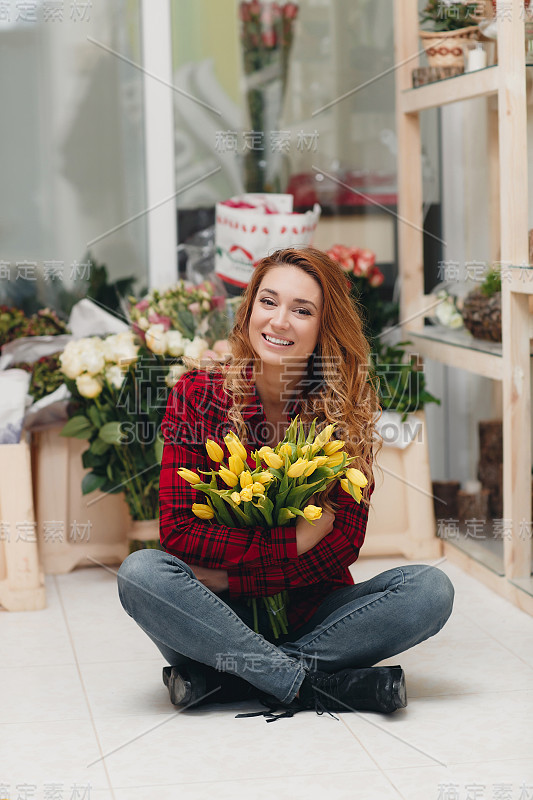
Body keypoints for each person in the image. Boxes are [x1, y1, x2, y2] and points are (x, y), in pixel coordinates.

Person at [117, 246, 454, 721]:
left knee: (430, 589)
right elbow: (179, 532)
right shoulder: (198, 394)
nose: (279, 321)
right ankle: (310, 684)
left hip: (313, 613)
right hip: (215, 615)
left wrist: (232, 572)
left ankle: (226, 680)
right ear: (250, 308)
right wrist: (288, 545)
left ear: (323, 327)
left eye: (302, 310)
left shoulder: (345, 411)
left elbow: (340, 547)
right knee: (142, 575)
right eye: (268, 302)